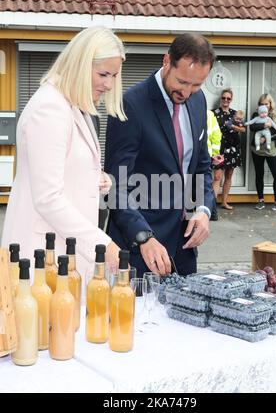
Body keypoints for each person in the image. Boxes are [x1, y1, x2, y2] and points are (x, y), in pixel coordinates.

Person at [1, 26, 126, 284]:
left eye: (114, 75)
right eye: (103, 74)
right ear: (80, 65)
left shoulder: (74, 106)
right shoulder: (50, 108)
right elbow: (47, 197)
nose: (109, 84)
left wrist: (95, 177)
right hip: (42, 257)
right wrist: (103, 244)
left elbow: (62, 165)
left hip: (63, 254)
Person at [105, 33, 216, 277]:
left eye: (197, 85)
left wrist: (203, 210)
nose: (187, 92)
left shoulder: (199, 101)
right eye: (182, 82)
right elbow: (116, 186)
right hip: (142, 249)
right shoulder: (131, 104)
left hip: (185, 249)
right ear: (166, 61)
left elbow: (202, 166)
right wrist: (143, 237)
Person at [250, 93, 276, 212]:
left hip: (272, 150)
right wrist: (263, 124)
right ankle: (261, 201)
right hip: (258, 151)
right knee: (259, 174)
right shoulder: (256, 114)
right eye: (261, 104)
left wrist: (267, 138)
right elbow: (252, 127)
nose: (264, 106)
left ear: (270, 103)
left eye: (266, 103)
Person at [213, 88, 245, 210]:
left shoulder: (235, 113)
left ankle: (224, 202)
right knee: (217, 176)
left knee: (229, 175)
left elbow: (243, 129)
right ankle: (212, 204)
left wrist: (234, 127)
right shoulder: (213, 113)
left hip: (233, 148)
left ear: (231, 100)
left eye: (228, 98)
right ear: (221, 98)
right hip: (219, 148)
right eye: (224, 98)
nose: (226, 100)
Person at [207, 110, 222, 221]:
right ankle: (213, 212)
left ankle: (188, 217)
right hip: (206, 155)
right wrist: (215, 154)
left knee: (190, 183)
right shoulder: (209, 114)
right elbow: (217, 134)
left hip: (193, 155)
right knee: (205, 184)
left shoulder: (188, 111)